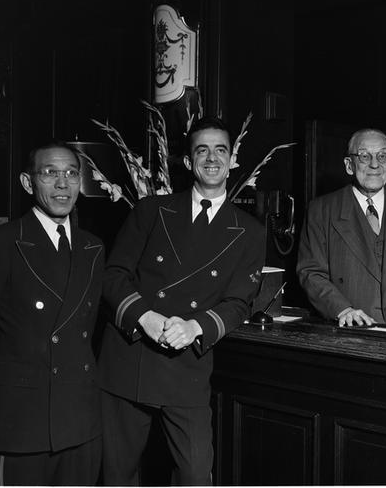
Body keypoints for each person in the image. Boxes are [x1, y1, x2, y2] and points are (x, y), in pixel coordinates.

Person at [98, 117, 265, 485]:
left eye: (220, 150)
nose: (212, 158)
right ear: (189, 162)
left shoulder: (250, 231)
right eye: (202, 150)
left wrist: (195, 327)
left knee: (195, 475)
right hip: (130, 359)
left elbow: (240, 302)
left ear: (232, 160)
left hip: (187, 365)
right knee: (116, 477)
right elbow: (112, 276)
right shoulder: (151, 210)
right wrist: (144, 317)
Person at [0, 142, 105, 485]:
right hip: (19, 419)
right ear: (27, 182)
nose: (63, 184)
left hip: (81, 419)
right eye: (50, 173)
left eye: (71, 173)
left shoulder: (93, 246)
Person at [297, 128, 386, 327]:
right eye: (364, 156)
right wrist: (343, 310)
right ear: (349, 165)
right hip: (349, 329)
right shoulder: (322, 210)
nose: (375, 164)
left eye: (382, 156)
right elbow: (311, 272)